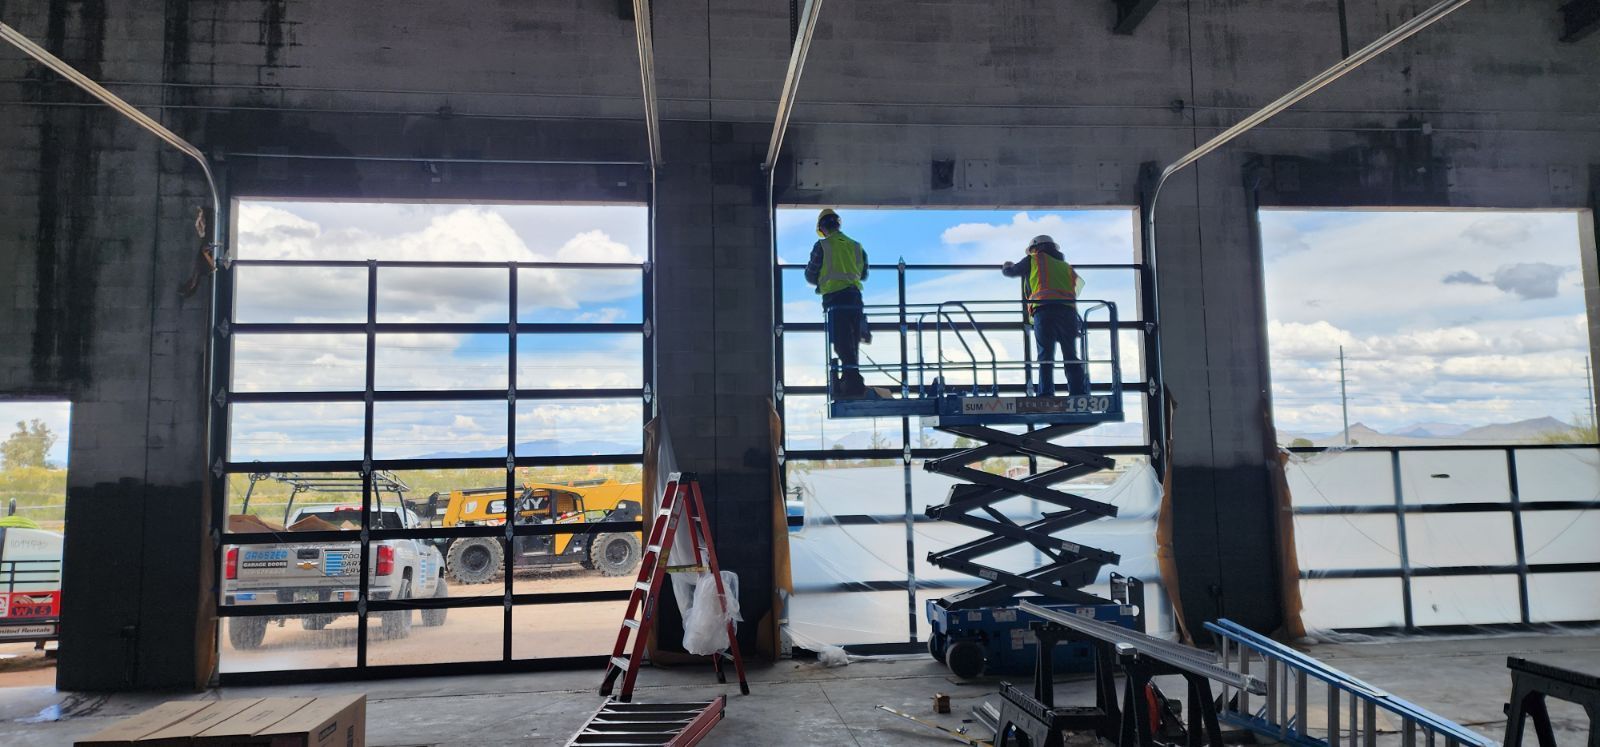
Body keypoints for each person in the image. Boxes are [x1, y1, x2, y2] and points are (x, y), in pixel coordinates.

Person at [1002, 234, 1088, 397]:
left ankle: (1046, 393)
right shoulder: (1066, 266)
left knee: (1046, 355)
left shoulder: (1034, 259)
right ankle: (1078, 392)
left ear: (1035, 248)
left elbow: (1012, 272)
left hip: (1045, 310)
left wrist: (1007, 266)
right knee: (1070, 354)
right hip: (1068, 313)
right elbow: (1077, 287)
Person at [805, 208, 868, 398]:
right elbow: (863, 274)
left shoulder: (822, 246)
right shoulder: (856, 246)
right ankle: (850, 379)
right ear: (838, 224)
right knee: (852, 342)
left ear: (823, 228)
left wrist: (823, 279)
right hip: (855, 299)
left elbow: (810, 275)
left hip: (834, 299)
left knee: (841, 343)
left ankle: (853, 383)